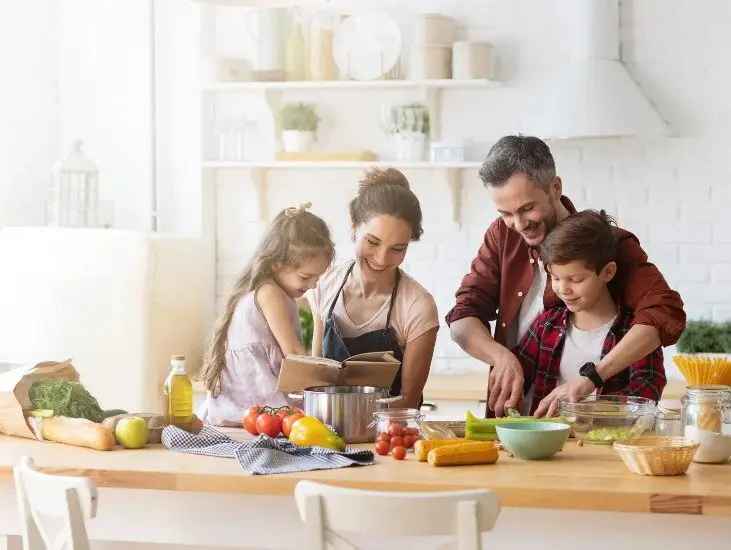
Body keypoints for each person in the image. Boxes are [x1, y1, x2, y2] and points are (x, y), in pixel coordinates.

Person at [446, 135, 685, 417]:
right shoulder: (502, 235)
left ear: (555, 187)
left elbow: (664, 311)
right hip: (518, 420)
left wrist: (593, 378)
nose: (519, 224)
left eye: (526, 208)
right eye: (506, 213)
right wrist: (501, 357)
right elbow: (462, 317)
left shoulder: (606, 244)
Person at [309, 168, 439, 408]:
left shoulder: (417, 305)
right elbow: (315, 382)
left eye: (397, 249)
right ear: (354, 226)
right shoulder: (325, 284)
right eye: (372, 242)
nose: (381, 258)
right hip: (325, 432)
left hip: (389, 436)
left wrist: (353, 416)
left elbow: (409, 402)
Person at [516, 210, 666, 417]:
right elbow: (518, 378)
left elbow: (646, 395)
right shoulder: (546, 325)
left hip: (609, 445)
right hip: (548, 445)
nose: (563, 289)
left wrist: (583, 409)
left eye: (576, 280)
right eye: (555, 278)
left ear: (608, 272)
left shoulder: (634, 333)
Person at [198, 203, 334, 426]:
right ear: (276, 265)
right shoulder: (270, 293)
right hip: (253, 404)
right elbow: (293, 353)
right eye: (305, 277)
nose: (311, 285)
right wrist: (329, 381)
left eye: (317, 279)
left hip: (247, 406)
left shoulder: (271, 290)